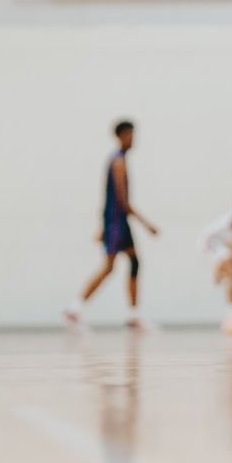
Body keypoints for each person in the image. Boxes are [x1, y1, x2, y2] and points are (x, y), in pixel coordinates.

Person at [65, 120, 158, 328]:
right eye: (130, 135)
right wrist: (147, 225)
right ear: (121, 136)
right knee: (109, 267)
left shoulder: (120, 160)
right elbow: (122, 201)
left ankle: (134, 315)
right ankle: (74, 309)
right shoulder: (118, 162)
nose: (133, 139)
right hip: (116, 223)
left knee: (134, 262)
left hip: (117, 222)